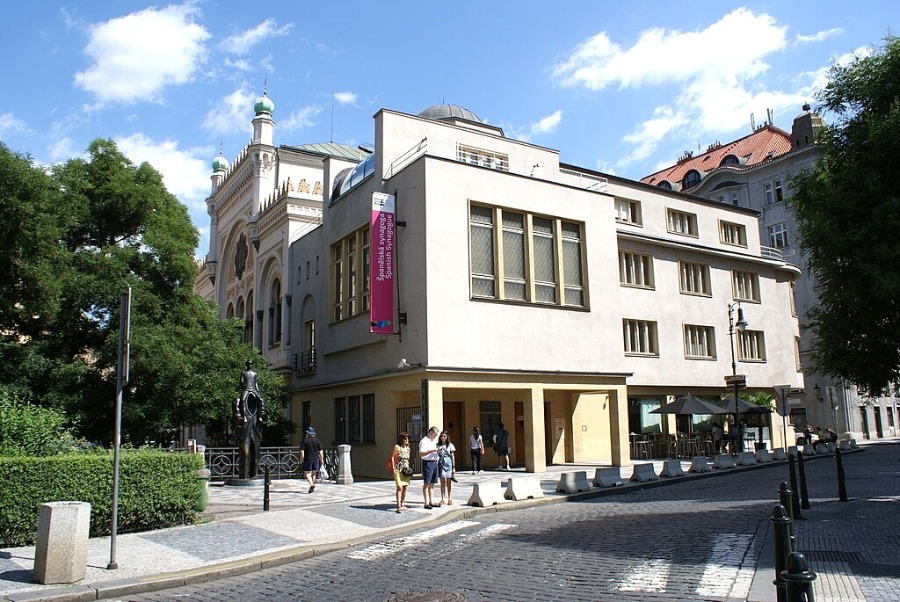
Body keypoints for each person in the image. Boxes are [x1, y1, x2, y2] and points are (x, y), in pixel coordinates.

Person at [233, 360, 267, 479]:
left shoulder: (255, 374)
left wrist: (262, 417)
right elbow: (242, 382)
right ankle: (243, 475)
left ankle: (254, 474)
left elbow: (256, 385)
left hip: (255, 429)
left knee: (256, 455)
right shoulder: (244, 373)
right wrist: (240, 418)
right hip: (245, 430)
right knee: (245, 453)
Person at [389, 432, 412, 512]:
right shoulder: (397, 447)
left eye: (407, 438)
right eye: (405, 438)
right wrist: (393, 468)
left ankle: (402, 503)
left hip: (405, 470)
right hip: (398, 469)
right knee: (399, 487)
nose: (407, 440)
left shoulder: (408, 448)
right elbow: (392, 457)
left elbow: (408, 459)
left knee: (405, 487)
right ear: (401, 439)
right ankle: (398, 504)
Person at [418, 426, 439, 509]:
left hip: (434, 462)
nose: (435, 436)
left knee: (432, 483)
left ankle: (431, 501)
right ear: (431, 433)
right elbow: (421, 453)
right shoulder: (424, 441)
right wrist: (432, 450)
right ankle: (426, 502)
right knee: (427, 483)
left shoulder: (432, 441)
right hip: (428, 463)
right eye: (435, 435)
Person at [299, 426, 324, 493]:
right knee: (314, 473)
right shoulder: (317, 440)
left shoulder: (304, 441)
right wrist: (322, 459)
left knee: (307, 473)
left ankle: (311, 484)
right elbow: (321, 451)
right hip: (316, 458)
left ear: (307, 433)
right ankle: (313, 484)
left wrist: (302, 459)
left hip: (308, 458)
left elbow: (302, 451)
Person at [436, 431, 456, 506]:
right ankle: (442, 498)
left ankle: (450, 498)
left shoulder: (450, 445)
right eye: (441, 436)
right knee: (442, 482)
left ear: (447, 437)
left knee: (449, 482)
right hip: (441, 463)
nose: (442, 438)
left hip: (448, 463)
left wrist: (453, 467)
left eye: (444, 436)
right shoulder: (437, 445)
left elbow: (452, 456)